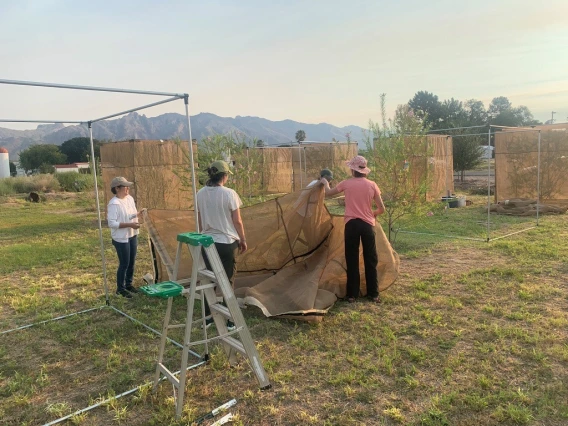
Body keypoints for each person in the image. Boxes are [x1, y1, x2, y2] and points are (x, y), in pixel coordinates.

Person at [321, 155, 385, 303]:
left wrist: (325, 182)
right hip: (367, 225)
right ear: (364, 170)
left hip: (351, 225)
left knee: (352, 258)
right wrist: (372, 215)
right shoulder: (372, 185)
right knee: (370, 258)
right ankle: (373, 294)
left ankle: (352, 295)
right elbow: (382, 209)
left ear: (352, 170)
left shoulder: (347, 183)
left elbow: (328, 193)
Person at [196, 160, 247, 329]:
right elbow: (237, 221)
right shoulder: (229, 194)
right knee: (227, 280)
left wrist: (203, 234)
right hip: (226, 243)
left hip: (207, 242)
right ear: (224, 176)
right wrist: (243, 239)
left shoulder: (200, 193)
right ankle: (231, 319)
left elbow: (200, 220)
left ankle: (207, 317)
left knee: (208, 280)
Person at [107, 176, 142, 298]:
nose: (127, 188)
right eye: (125, 186)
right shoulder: (114, 204)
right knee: (124, 263)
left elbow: (128, 215)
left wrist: (137, 214)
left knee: (131, 262)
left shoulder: (130, 199)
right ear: (117, 188)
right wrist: (129, 224)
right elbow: (112, 223)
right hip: (121, 238)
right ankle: (120, 289)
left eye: (128, 186)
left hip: (132, 234)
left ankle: (128, 284)